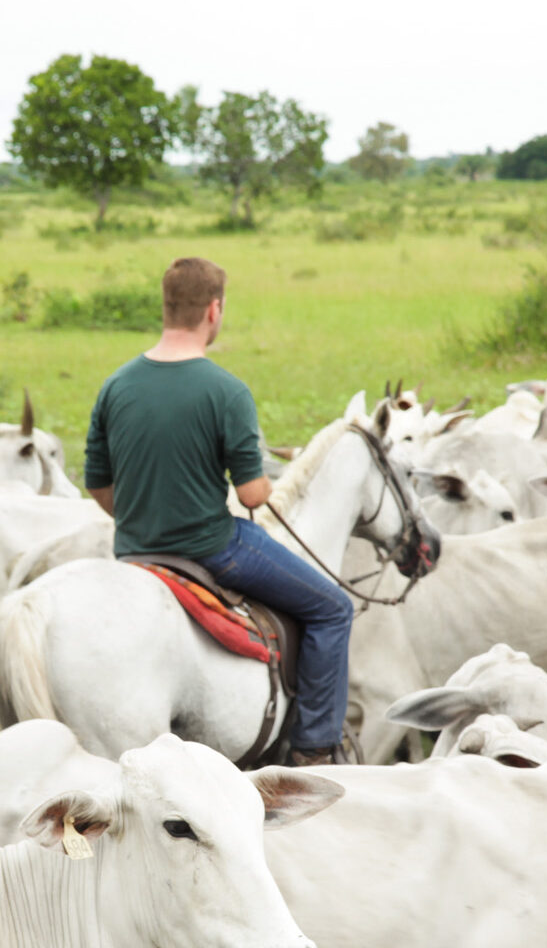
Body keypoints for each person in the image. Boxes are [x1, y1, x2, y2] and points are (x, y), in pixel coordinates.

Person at [84, 257, 352, 766]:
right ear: (214, 309)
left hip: (135, 549)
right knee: (332, 608)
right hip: (214, 549)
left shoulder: (116, 386)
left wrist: (143, 515)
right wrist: (262, 476)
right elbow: (252, 497)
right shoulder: (227, 391)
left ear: (165, 307)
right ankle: (316, 746)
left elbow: (97, 483)